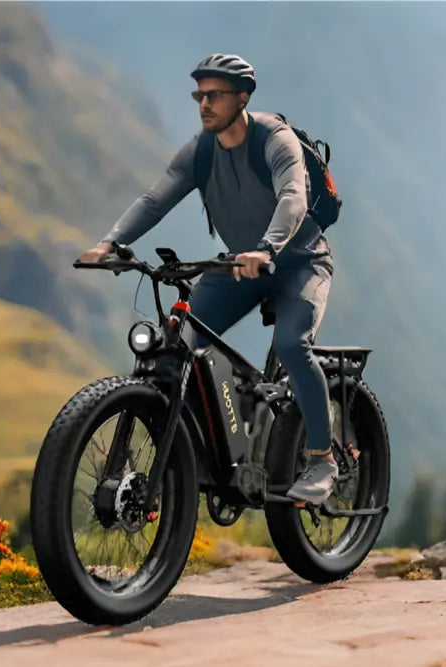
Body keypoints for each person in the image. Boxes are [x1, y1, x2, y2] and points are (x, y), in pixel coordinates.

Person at [79, 53, 338, 505]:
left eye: (214, 95)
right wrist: (110, 243)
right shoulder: (201, 151)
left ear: (243, 98)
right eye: (199, 95)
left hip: (300, 263)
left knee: (294, 345)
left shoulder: (275, 140)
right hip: (240, 266)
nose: (204, 104)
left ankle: (322, 459)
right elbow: (155, 199)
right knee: (175, 346)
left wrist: (268, 247)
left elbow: (294, 196)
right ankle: (193, 460)